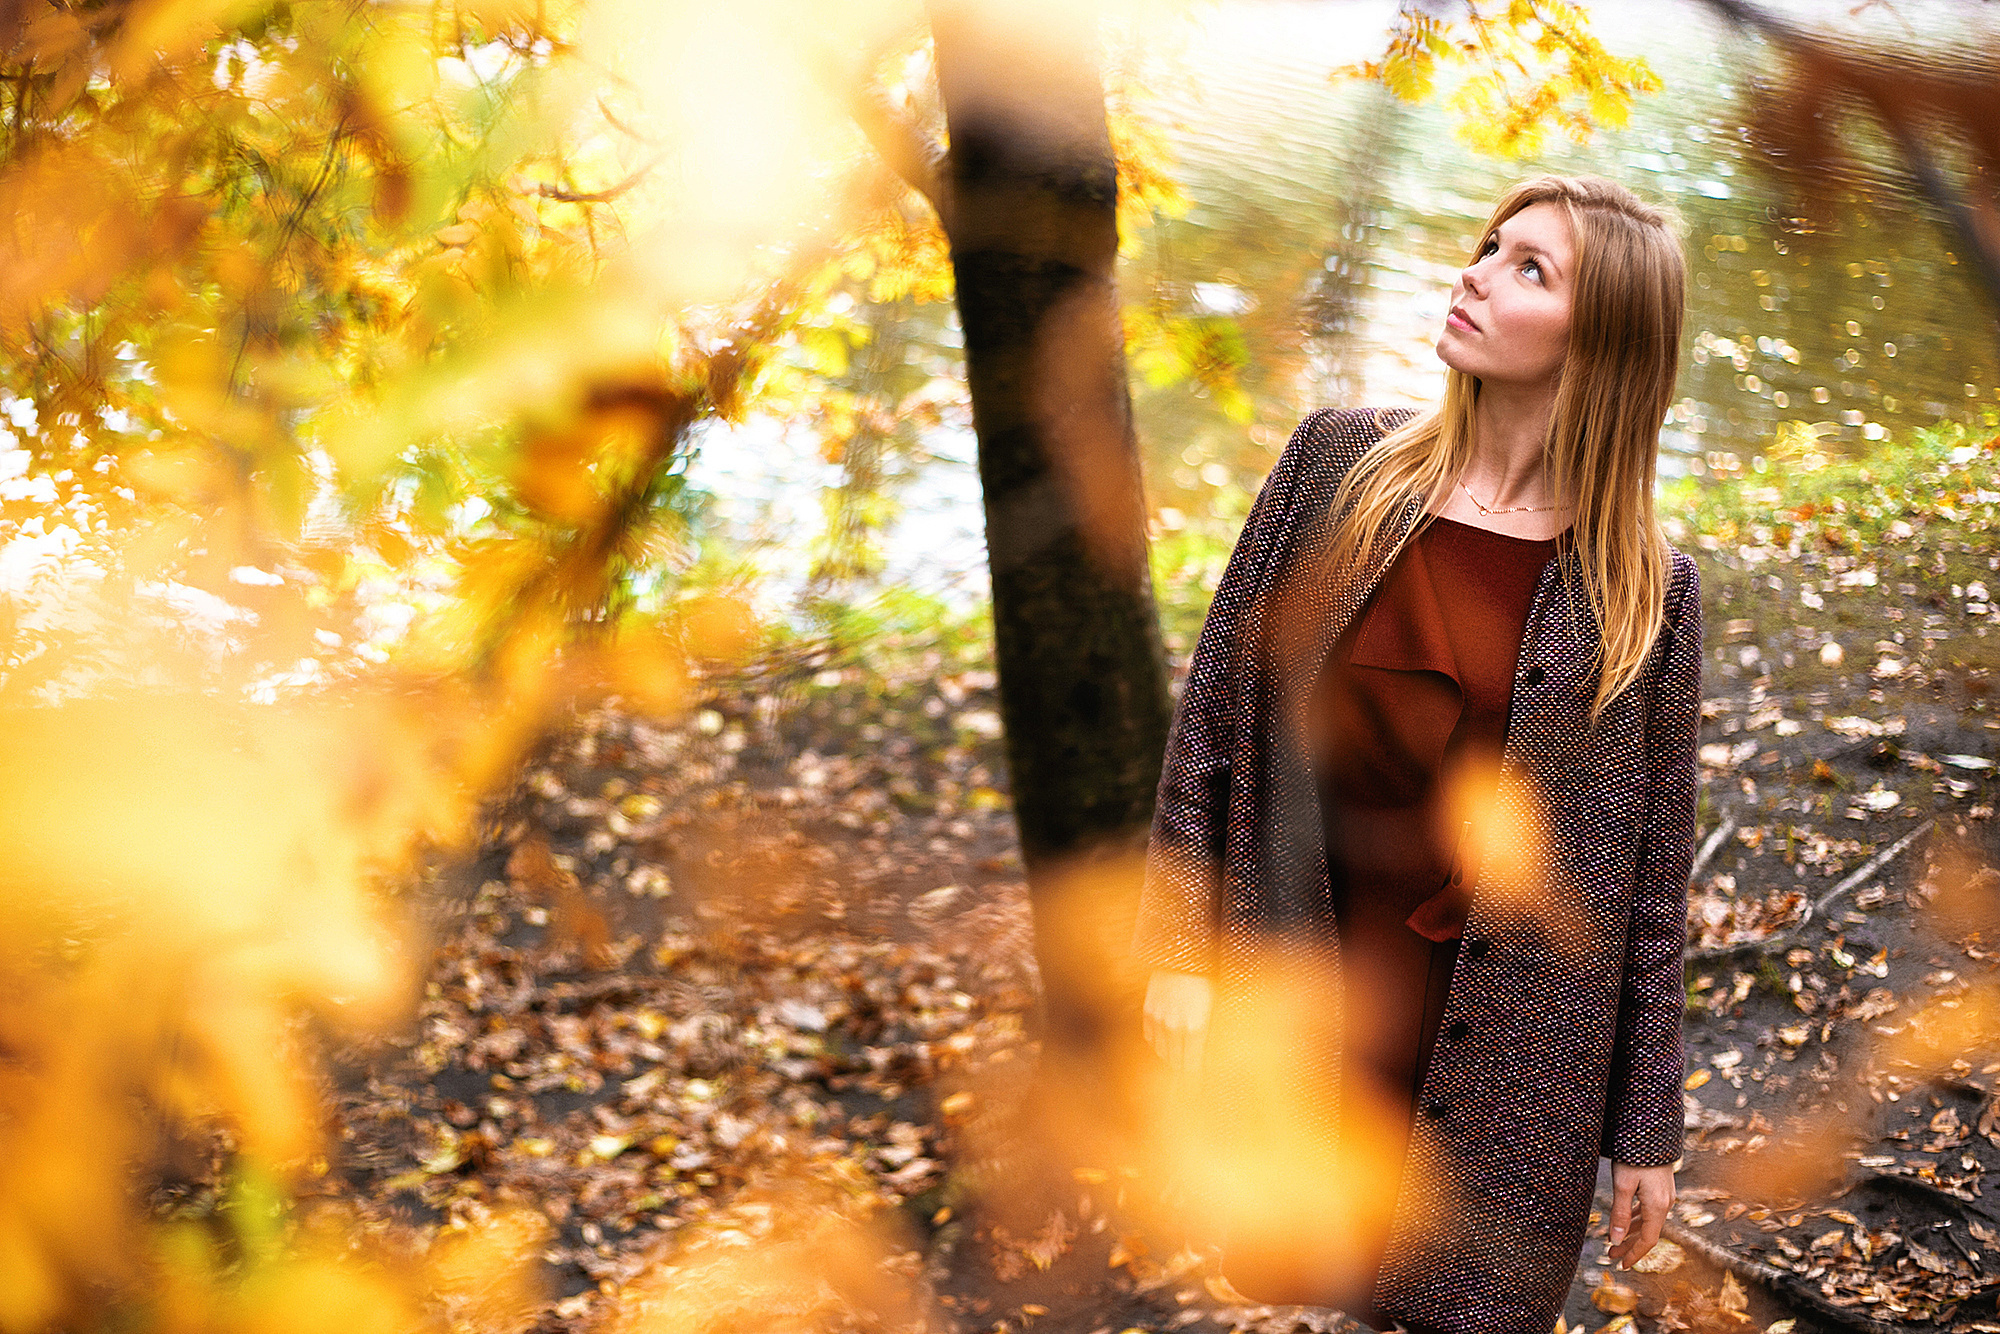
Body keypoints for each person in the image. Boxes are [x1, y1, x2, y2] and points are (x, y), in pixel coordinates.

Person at [1131, 174, 1701, 1334]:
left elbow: (1649, 877)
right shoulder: (1335, 465)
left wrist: (1644, 1127)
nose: (1473, 274)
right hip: (1313, 978)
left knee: (1456, 1300)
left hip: (1511, 1051)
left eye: (1527, 268)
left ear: (1602, 337)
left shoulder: (1646, 589)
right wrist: (1178, 951)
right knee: (1303, 1252)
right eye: (1487, 245)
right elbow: (1215, 718)